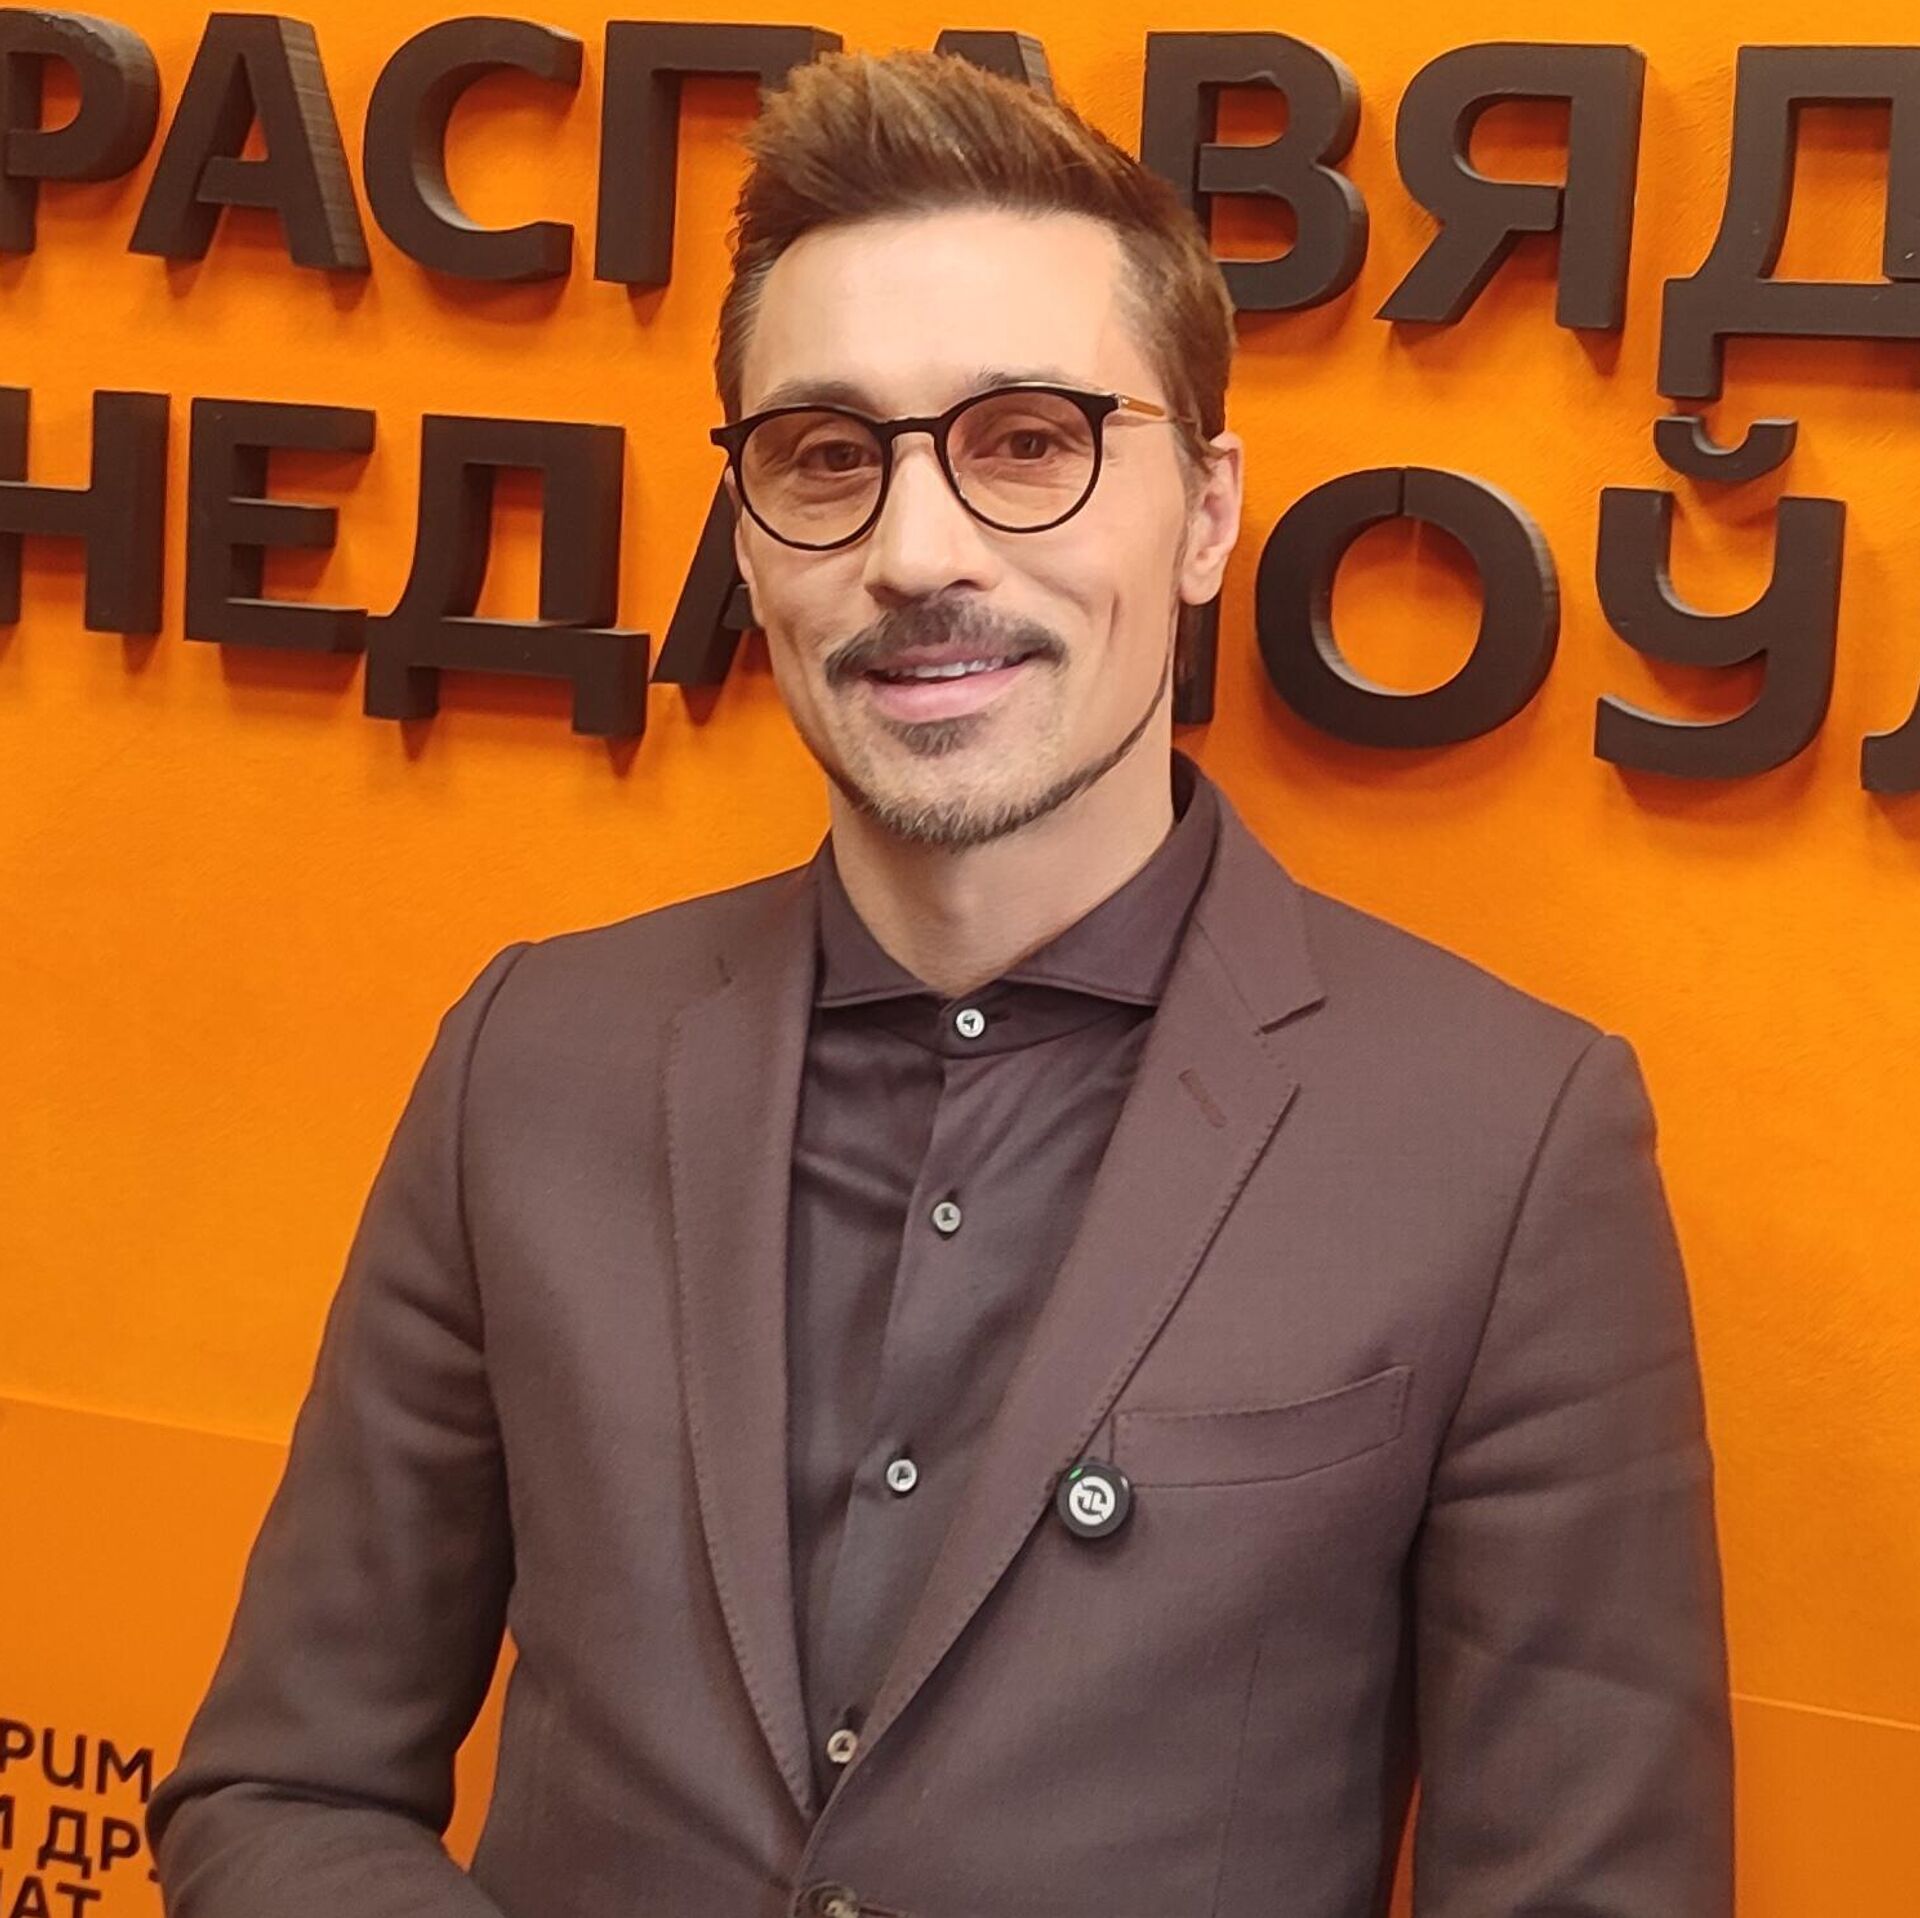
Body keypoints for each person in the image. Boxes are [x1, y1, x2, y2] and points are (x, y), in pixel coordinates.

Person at [148, 47, 1733, 1918]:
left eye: (1030, 441)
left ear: (1206, 512)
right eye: (827, 456)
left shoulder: (1505, 1139)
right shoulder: (535, 1056)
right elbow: (286, 1790)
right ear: (752, 533)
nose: (916, 552)